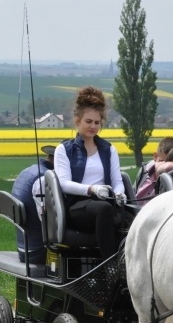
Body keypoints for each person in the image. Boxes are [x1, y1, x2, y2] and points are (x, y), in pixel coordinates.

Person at [54, 86, 126, 259]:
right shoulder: (64, 150)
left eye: (97, 122)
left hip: (107, 202)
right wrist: (91, 189)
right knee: (104, 209)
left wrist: (119, 194)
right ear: (77, 121)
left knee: (135, 217)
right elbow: (64, 184)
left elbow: (117, 181)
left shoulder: (109, 150)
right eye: (88, 121)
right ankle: (110, 265)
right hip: (77, 206)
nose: (93, 126)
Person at [11, 145, 55, 263]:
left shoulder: (29, 170)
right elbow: (52, 218)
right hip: (38, 251)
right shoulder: (45, 178)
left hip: (24, 246)